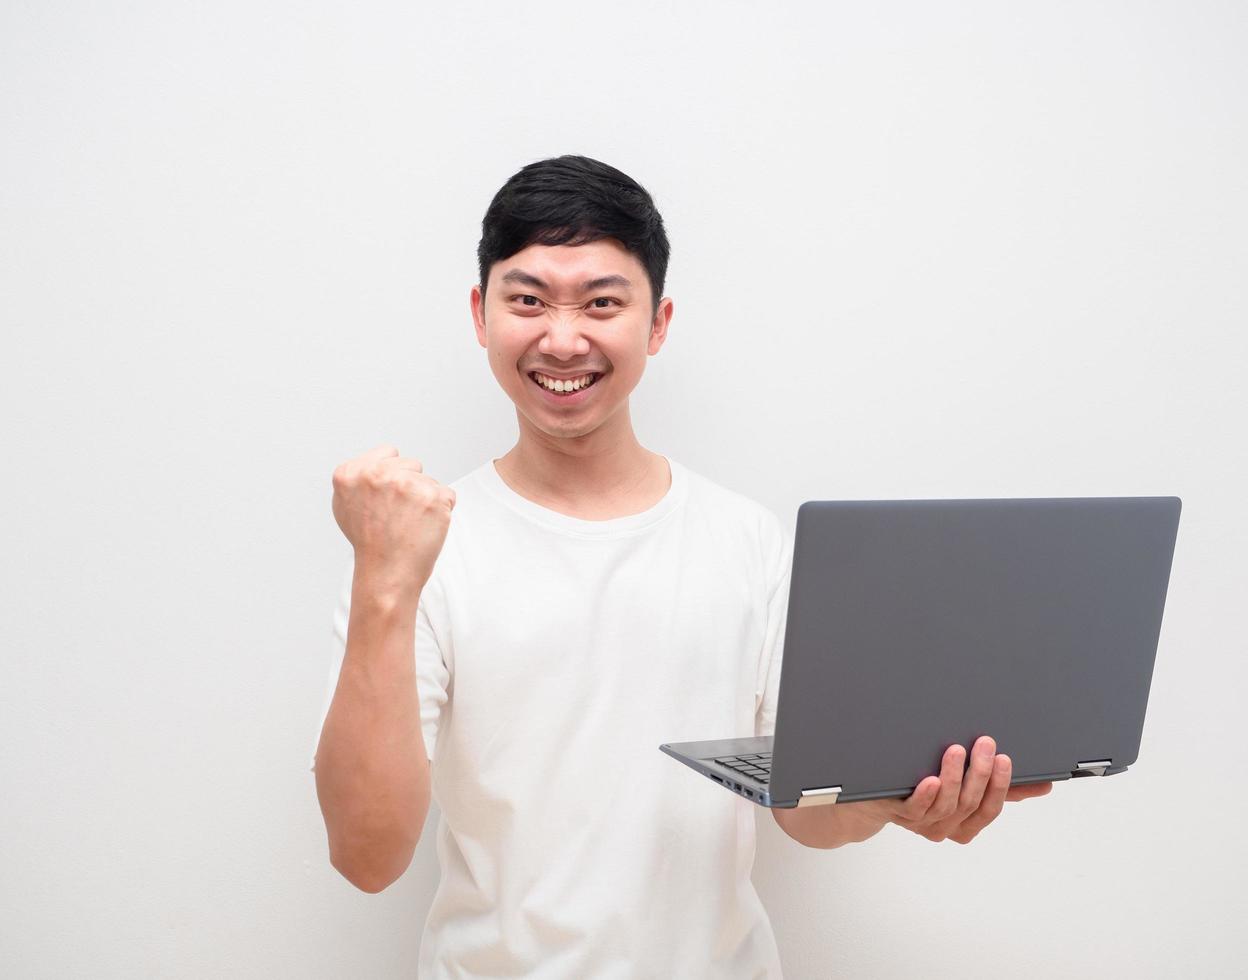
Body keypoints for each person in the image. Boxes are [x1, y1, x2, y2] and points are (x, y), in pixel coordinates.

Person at [310, 154, 1053, 978]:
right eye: (528, 300)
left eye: (601, 302)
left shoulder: (747, 539)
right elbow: (366, 857)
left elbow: (802, 814)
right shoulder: (415, 552)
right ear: (481, 315)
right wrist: (383, 578)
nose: (563, 338)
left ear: (657, 324)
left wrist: (894, 800)